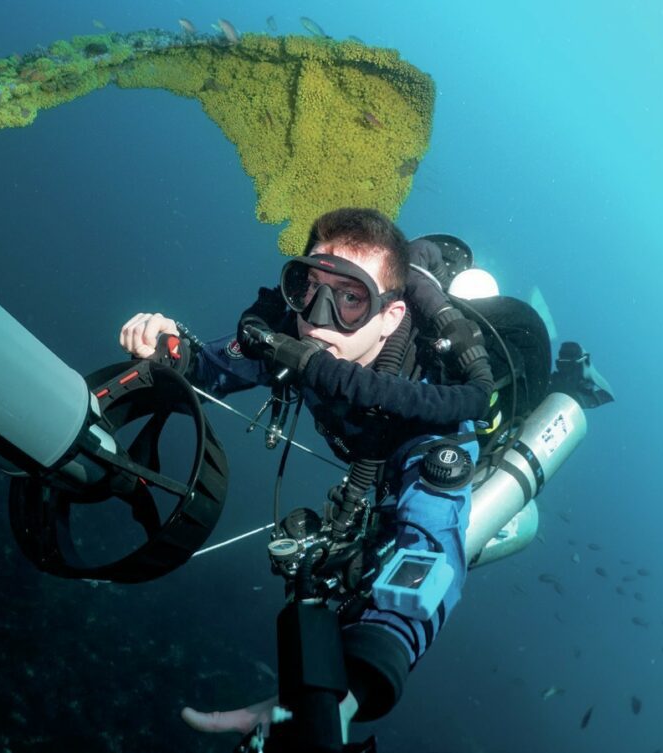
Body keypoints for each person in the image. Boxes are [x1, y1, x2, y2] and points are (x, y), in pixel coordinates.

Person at [119, 208, 496, 743]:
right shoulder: (290, 335)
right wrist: (168, 345)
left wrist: (344, 694)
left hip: (414, 455)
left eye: (350, 298)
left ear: (389, 317)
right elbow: (214, 369)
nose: (317, 319)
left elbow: (431, 550)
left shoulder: (432, 406)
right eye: (308, 287)